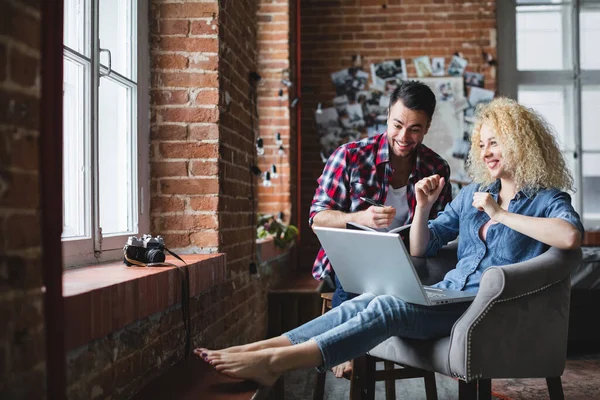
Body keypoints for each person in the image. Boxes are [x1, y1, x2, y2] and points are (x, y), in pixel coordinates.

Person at [194, 98, 583, 392]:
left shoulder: (547, 198)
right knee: (366, 300)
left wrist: (499, 214)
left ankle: (279, 361)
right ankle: (263, 350)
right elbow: (420, 249)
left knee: (384, 306)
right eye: (481, 145)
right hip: (447, 297)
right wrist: (424, 207)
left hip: (483, 309)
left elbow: (569, 237)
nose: (486, 153)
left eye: (494, 143)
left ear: (519, 143)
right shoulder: (472, 196)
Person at [310, 80, 453, 377]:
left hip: (409, 261)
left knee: (420, 277)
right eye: (397, 124)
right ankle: (349, 347)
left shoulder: (435, 168)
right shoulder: (350, 156)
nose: (404, 136)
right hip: (352, 260)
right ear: (387, 115)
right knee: (364, 279)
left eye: (415, 129)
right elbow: (317, 218)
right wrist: (360, 218)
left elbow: (439, 233)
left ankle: (361, 344)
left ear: (426, 128)